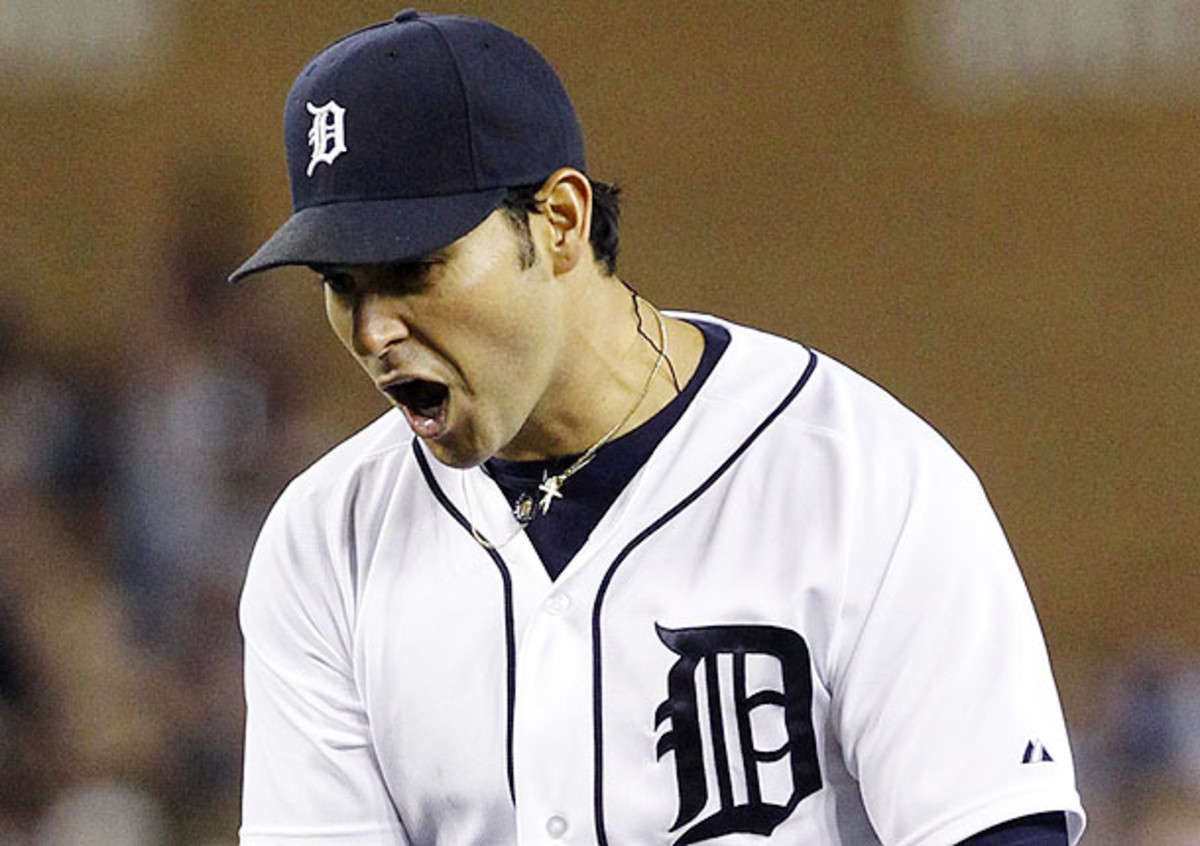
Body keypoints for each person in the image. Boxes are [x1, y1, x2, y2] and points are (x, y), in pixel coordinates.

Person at [230, 10, 1085, 845]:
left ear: (558, 223)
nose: (375, 330)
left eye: (415, 267)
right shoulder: (325, 543)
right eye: (341, 284)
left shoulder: (862, 479)